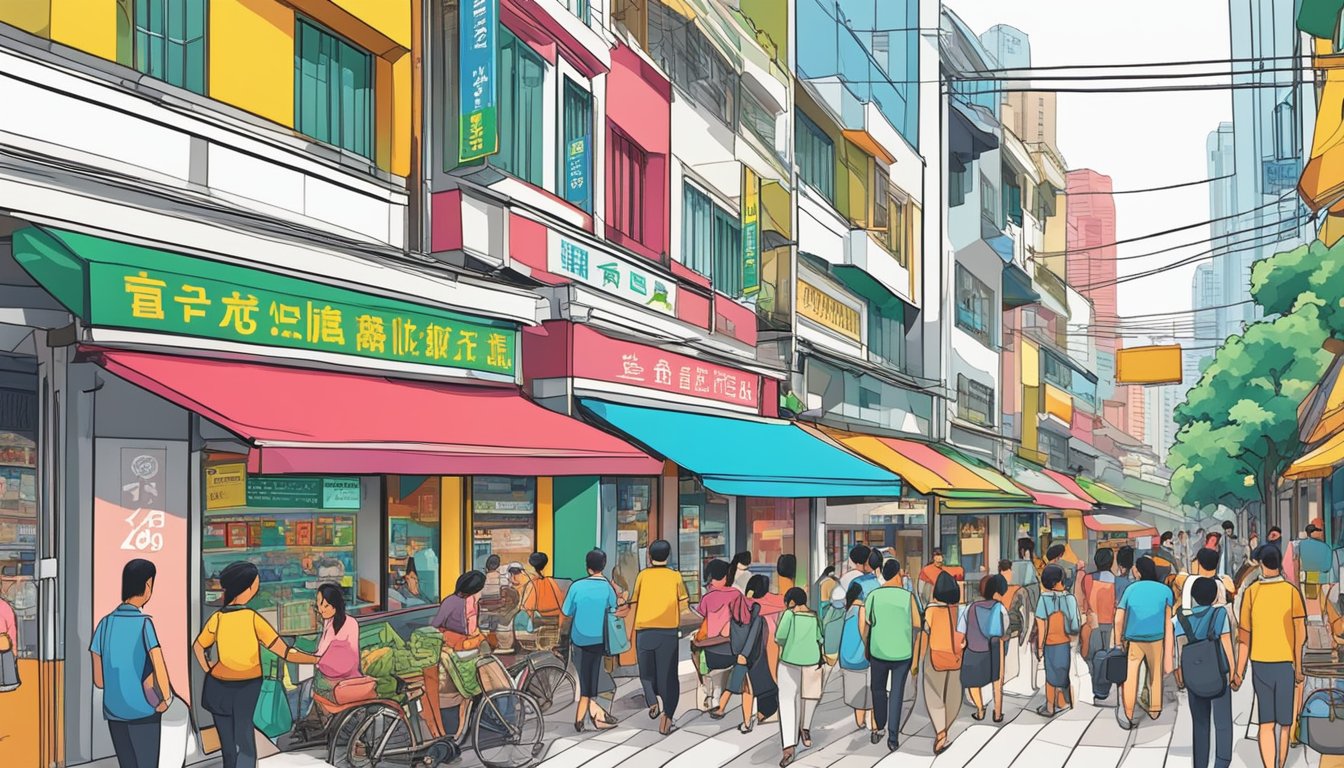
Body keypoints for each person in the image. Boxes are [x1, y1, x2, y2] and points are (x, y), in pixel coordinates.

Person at [194, 562, 320, 768]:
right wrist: (316, 659)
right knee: (244, 741)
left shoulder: (217, 618)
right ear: (249, 587)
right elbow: (285, 652)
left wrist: (209, 669)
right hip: (245, 687)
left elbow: (198, 646)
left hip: (216, 687)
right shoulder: (253, 619)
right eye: (256, 583)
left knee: (228, 746)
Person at [91, 559, 171, 768]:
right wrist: (165, 699)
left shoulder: (104, 624)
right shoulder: (144, 624)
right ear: (148, 585)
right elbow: (158, 664)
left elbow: (99, 681)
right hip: (144, 711)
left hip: (114, 711)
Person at [1234, 544, 1306, 768]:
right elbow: (1300, 635)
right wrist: (1299, 667)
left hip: (1260, 664)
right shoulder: (1292, 592)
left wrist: (1238, 672)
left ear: (1262, 565)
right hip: (1286, 665)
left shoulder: (1252, 592)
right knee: (1285, 723)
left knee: (1266, 722)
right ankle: (1281, 764)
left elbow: (1244, 638)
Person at [629, 540, 689, 735]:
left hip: (644, 631)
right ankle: (667, 718)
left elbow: (634, 601)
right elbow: (684, 605)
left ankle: (652, 701)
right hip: (667, 633)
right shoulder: (675, 576)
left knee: (646, 673)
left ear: (649, 556)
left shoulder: (642, 576)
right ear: (668, 555)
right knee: (668, 676)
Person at [860, 558, 919, 752]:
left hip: (878, 651)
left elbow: (867, 624)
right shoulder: (907, 597)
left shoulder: (874, 595)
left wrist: (866, 644)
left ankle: (879, 727)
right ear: (897, 574)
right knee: (896, 693)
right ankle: (893, 737)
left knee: (877, 689)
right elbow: (917, 624)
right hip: (902, 653)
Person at [1176, 577, 1234, 768]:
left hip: (1194, 674)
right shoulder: (1220, 614)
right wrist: (1233, 672)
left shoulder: (1182, 618)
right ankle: (1222, 762)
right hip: (1218, 672)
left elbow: (1180, 648)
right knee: (1223, 721)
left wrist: (1180, 674)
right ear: (1215, 596)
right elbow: (1226, 644)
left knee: (1200, 723)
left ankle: (1200, 764)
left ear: (1193, 596)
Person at [562, 549, 620, 732]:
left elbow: (566, 611)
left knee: (585, 676)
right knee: (593, 674)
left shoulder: (576, 587)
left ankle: (583, 717)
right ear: (604, 565)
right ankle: (592, 715)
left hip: (579, 638)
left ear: (587, 567)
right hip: (599, 639)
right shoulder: (607, 587)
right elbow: (614, 609)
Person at [1114, 555, 1174, 729]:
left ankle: (1128, 713)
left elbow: (1118, 619)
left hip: (1134, 640)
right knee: (1155, 674)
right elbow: (1168, 623)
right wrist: (1169, 652)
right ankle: (1155, 710)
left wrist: (1118, 641)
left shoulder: (1131, 589)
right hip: (1156, 639)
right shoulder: (1165, 591)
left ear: (1138, 572)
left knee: (1130, 676)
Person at [775, 587, 823, 768]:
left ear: (791, 602)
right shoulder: (815, 616)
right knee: (810, 697)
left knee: (787, 701)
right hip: (812, 661)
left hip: (789, 661)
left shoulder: (789, 614)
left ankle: (789, 747)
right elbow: (820, 638)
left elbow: (779, 636)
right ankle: (805, 728)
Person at [698, 559, 751, 715]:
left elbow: (702, 618)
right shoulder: (735, 594)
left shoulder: (706, 598)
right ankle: (721, 694)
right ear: (726, 576)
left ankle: (707, 689)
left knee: (696, 648)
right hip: (731, 652)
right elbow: (745, 619)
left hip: (711, 654)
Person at [922, 572, 964, 754]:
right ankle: (947, 725)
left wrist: (917, 660)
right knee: (954, 693)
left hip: (935, 656)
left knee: (934, 693)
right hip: (956, 656)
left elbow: (925, 633)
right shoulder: (959, 610)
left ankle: (940, 731)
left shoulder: (931, 609)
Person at [962, 573, 1009, 723]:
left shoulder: (970, 608)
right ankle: (997, 713)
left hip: (974, 649)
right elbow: (1005, 627)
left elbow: (962, 629)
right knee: (997, 681)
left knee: (972, 682)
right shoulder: (1000, 608)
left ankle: (980, 709)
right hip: (994, 647)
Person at [1035, 564, 1079, 717]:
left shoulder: (1043, 599)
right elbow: (1075, 624)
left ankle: (1050, 707)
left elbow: (1041, 625)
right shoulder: (1070, 598)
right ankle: (1066, 702)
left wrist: (1039, 647)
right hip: (1065, 642)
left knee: (1050, 676)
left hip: (1049, 643)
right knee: (1063, 672)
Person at [1081, 548, 1118, 705]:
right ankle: (1102, 690)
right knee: (1106, 657)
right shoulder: (1118, 582)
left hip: (1093, 623)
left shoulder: (1087, 579)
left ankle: (1093, 688)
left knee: (1090, 656)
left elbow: (1084, 600)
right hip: (1110, 624)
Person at [836, 582, 874, 736]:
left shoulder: (848, 610)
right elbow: (863, 630)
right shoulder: (862, 608)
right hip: (860, 656)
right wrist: (868, 649)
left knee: (855, 689)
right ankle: (872, 723)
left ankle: (860, 721)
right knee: (868, 689)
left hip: (846, 656)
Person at [312, 584, 360, 698]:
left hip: (337, 679)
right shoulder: (335, 621)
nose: (321, 610)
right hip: (346, 675)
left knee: (308, 690)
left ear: (335, 605)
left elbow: (321, 655)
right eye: (319, 604)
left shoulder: (340, 624)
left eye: (326, 606)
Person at [431, 571, 489, 651]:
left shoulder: (473, 601)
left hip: (466, 639)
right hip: (455, 640)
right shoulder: (452, 601)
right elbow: (435, 625)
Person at [1295, 519, 1334, 615]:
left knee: (1309, 603)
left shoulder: (1299, 545)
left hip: (1305, 578)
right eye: (1319, 530)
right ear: (1313, 533)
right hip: (1321, 579)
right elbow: (1327, 567)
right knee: (1321, 604)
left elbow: (1296, 561)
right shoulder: (1325, 547)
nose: (1321, 532)